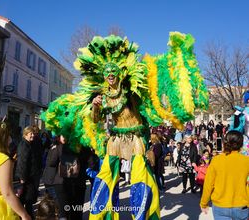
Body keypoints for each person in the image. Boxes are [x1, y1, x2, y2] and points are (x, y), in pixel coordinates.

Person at [41, 33, 208, 219]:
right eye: (107, 73)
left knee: (139, 176)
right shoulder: (103, 96)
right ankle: (105, 214)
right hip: (116, 138)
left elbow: (146, 97)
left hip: (135, 136)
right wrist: (95, 106)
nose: (110, 75)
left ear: (119, 73)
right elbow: (96, 120)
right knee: (106, 176)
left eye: (113, 72)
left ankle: (142, 215)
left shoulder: (131, 91)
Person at [200, 131, 249, 219]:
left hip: (220, 206)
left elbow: (208, 184)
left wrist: (204, 203)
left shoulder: (216, 160)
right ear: (241, 144)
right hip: (242, 205)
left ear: (225, 142)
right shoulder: (246, 161)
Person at [16, 126, 42, 219]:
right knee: (25, 200)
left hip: (31, 177)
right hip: (27, 179)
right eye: (31, 133)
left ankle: (28, 215)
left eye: (33, 133)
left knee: (29, 200)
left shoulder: (29, 143)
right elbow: (22, 162)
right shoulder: (24, 145)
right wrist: (22, 178)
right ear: (25, 134)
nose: (33, 135)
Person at [41, 135, 67, 220]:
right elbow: (51, 162)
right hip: (51, 179)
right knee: (57, 202)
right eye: (63, 136)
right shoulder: (56, 147)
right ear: (58, 137)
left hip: (55, 179)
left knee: (57, 202)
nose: (65, 138)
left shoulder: (59, 146)